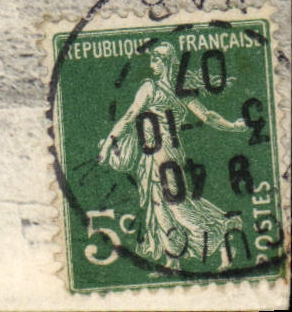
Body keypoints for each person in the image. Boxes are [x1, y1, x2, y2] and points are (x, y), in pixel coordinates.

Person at [96, 42, 249, 269]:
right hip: (151, 157)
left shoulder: (155, 89)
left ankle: (223, 235)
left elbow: (206, 116)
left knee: (179, 208)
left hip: (167, 157)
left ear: (166, 62)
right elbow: (130, 118)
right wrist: (109, 143)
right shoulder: (168, 89)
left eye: (156, 60)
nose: (152, 65)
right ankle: (172, 261)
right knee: (159, 209)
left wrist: (233, 126)